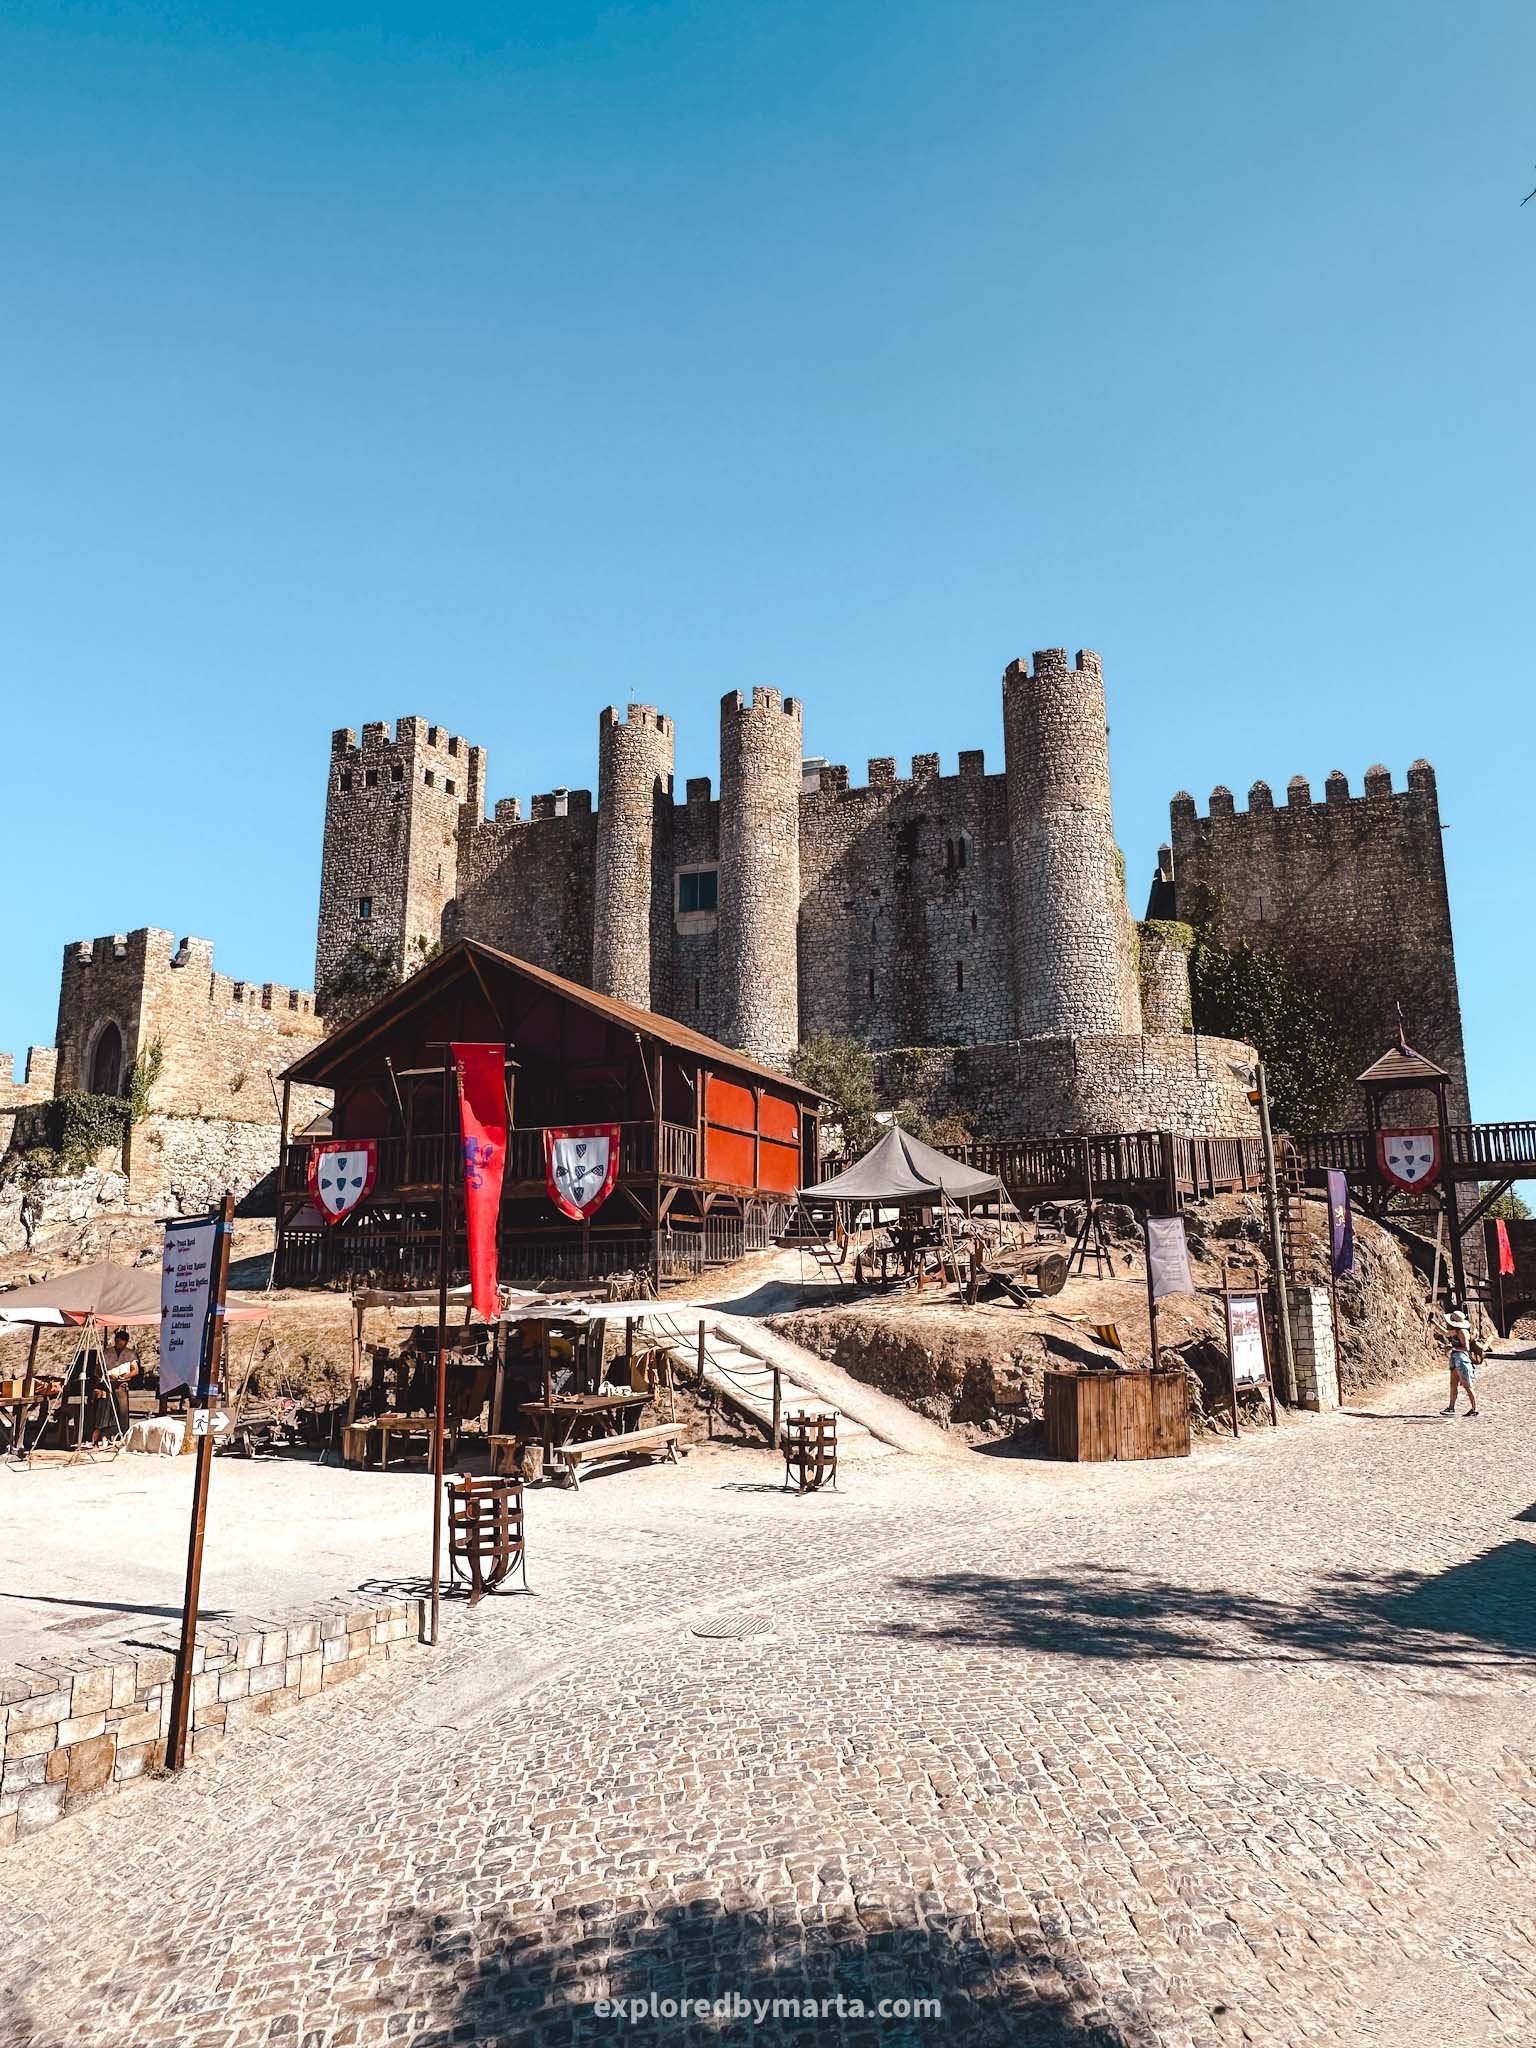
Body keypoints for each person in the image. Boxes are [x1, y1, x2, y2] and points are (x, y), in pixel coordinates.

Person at [1441, 1310, 1481, 1418]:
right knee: (1453, 1384)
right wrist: (1433, 1322)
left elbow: (1466, 1348)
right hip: (1455, 1359)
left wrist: (1452, 1348)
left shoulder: (1462, 1332)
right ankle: (1451, 1407)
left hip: (1462, 1360)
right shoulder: (1456, 1331)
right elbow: (1445, 1332)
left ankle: (1474, 1408)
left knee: (1467, 1385)